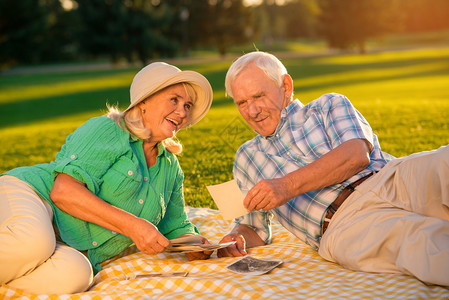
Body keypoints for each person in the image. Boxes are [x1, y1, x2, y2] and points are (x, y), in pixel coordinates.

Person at [216, 51, 449, 286]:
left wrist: (286, 186)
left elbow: (356, 156)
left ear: (285, 86)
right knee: (423, 243)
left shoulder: (328, 105)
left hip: (388, 177)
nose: (252, 111)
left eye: (258, 96)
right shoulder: (246, 158)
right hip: (343, 224)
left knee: (444, 161)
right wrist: (236, 238)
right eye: (242, 103)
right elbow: (252, 227)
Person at [0, 62, 214, 294]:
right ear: (144, 100)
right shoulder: (110, 130)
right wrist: (133, 227)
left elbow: (176, 224)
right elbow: (63, 192)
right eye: (174, 100)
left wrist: (195, 244)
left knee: (77, 276)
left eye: (187, 105)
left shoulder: (170, 167)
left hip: (67, 244)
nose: (182, 113)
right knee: (34, 243)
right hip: (33, 196)